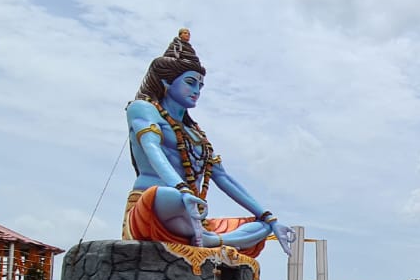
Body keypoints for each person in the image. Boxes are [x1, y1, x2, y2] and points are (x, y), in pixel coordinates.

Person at [124, 30, 296, 254]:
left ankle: (209, 240)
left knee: (261, 227)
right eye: (190, 83)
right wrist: (183, 190)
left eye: (200, 86)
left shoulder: (196, 134)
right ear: (166, 81)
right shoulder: (143, 109)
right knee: (170, 197)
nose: (196, 91)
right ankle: (211, 238)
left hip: (194, 213)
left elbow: (223, 178)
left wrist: (270, 218)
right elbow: (151, 147)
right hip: (157, 205)